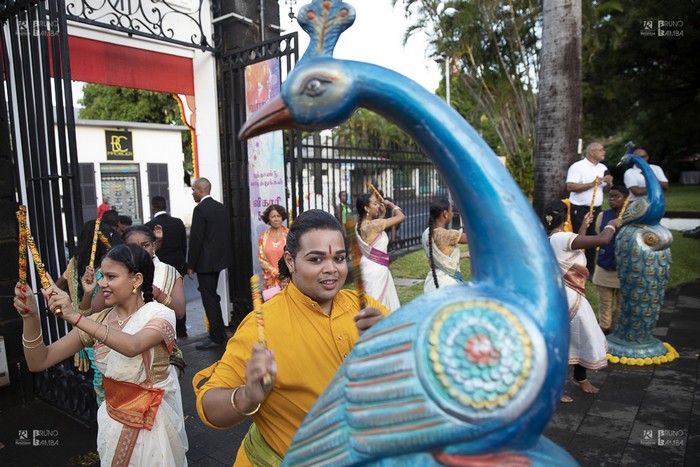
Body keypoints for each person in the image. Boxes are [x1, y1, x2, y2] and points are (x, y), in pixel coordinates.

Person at [193, 210, 388, 465]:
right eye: (316, 260)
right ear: (291, 260)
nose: (331, 269)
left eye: (339, 258)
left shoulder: (365, 308)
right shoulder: (261, 326)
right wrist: (247, 396)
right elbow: (208, 405)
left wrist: (392, 341)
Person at [14, 244, 188, 465]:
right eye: (102, 276)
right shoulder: (99, 321)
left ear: (136, 280)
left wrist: (73, 316)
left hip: (150, 424)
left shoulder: (160, 314)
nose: (102, 283)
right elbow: (39, 361)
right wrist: (31, 317)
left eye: (111, 276)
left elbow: (133, 346)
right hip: (112, 423)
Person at [542, 200, 622, 402]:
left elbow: (574, 248)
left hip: (565, 296)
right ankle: (555, 389)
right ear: (566, 217)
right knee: (569, 340)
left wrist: (584, 226)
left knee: (579, 336)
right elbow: (603, 240)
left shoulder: (552, 238)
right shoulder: (563, 238)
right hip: (570, 299)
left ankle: (579, 378)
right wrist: (612, 224)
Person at [123, 225, 187, 378]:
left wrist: (157, 293)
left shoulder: (169, 272)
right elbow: (97, 311)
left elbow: (180, 312)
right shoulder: (116, 273)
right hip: (123, 351)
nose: (140, 251)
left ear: (154, 246)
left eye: (145, 245)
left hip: (162, 355)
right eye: (132, 247)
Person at [188, 177, 233, 350]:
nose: (192, 193)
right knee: (212, 296)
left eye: (193, 190)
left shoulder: (200, 210)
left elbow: (196, 239)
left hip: (206, 263)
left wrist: (191, 264)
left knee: (209, 298)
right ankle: (218, 332)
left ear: (201, 190)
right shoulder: (220, 207)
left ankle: (216, 336)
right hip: (220, 260)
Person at [566, 142, 614, 275]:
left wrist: (608, 183)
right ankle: (576, 268)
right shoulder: (578, 167)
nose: (604, 152)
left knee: (593, 239)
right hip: (580, 209)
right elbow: (570, 187)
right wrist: (592, 184)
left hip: (596, 209)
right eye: (601, 150)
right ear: (591, 152)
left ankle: (590, 271)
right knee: (579, 238)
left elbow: (605, 190)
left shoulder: (603, 167)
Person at [146, 196, 188, 338]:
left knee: (160, 300)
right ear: (166, 206)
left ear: (153, 208)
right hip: (177, 263)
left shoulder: (149, 225)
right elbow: (184, 245)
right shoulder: (178, 223)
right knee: (179, 297)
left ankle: (166, 328)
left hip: (160, 268)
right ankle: (182, 330)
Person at [355, 193, 405, 311]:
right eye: (375, 204)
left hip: (369, 268)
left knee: (373, 302)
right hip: (376, 270)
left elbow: (374, 234)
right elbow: (401, 217)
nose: (378, 206)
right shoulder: (374, 225)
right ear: (366, 208)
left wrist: (381, 215)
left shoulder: (360, 225)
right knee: (377, 306)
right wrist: (391, 205)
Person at [592, 185, 628, 334]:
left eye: (616, 196)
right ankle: (604, 329)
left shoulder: (631, 217)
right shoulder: (602, 215)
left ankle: (618, 331)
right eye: (610, 196)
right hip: (604, 266)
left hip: (624, 268)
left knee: (622, 305)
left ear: (626, 199)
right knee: (604, 303)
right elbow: (598, 234)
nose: (612, 199)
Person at [422, 197, 469, 292]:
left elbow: (445, 257)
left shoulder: (427, 234)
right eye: (451, 211)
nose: (452, 214)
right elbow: (472, 238)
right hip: (447, 283)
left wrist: (466, 254)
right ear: (445, 214)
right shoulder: (446, 235)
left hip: (432, 282)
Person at [257, 204, 289, 292]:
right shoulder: (263, 238)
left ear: (282, 217)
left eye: (278, 216)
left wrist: (285, 276)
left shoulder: (289, 235)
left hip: (288, 280)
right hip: (270, 283)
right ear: (268, 219)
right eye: (273, 216)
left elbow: (295, 256)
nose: (276, 219)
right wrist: (276, 273)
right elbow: (261, 259)